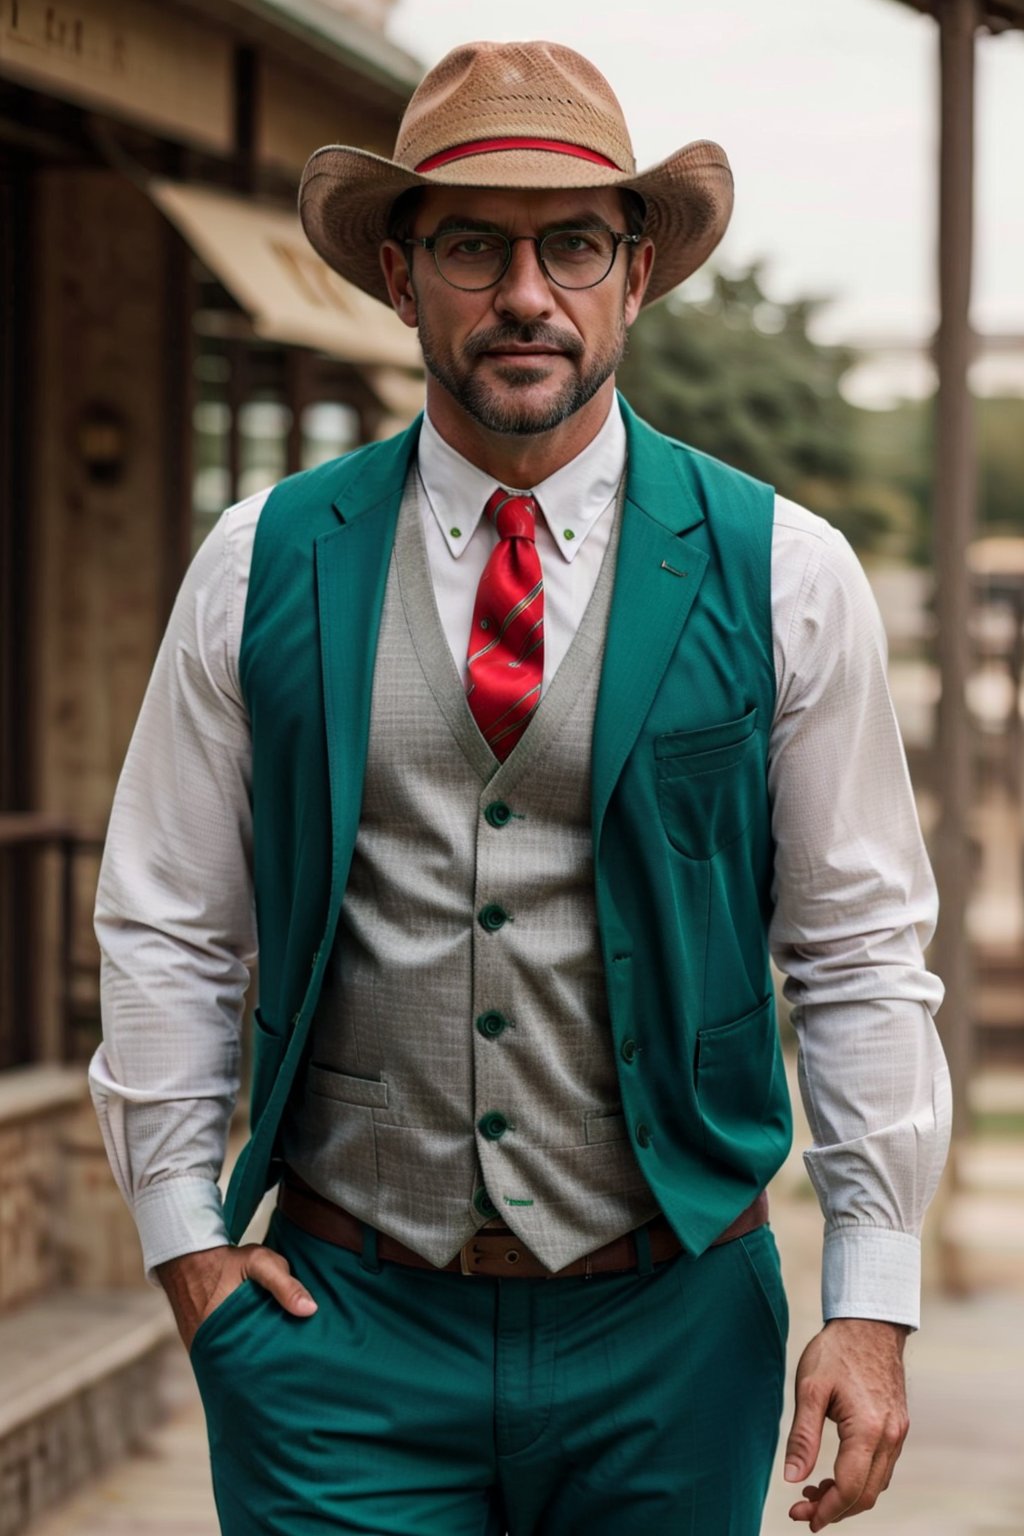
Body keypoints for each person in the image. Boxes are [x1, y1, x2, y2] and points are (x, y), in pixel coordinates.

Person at [90, 38, 951, 1536]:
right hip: (337, 1330)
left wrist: (870, 1297)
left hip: (675, 1330)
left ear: (633, 277)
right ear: (399, 274)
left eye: (572, 245)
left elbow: (859, 948)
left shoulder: (785, 573)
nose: (526, 295)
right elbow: (168, 916)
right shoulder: (261, 560)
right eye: (474, 247)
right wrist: (186, 1248)